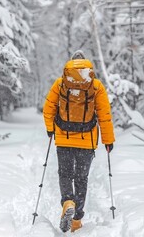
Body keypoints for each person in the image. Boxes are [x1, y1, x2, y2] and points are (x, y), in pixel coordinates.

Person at [42, 50, 115, 233]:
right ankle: (76, 221)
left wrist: (50, 128)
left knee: (65, 174)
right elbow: (104, 115)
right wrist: (108, 140)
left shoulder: (60, 84)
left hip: (64, 139)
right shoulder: (96, 86)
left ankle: (67, 202)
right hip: (86, 140)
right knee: (81, 179)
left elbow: (48, 108)